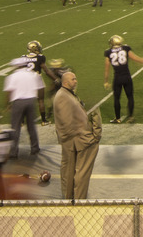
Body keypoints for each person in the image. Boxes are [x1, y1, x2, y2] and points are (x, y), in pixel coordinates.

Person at [55, 68, 100, 201]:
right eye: (73, 79)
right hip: (79, 141)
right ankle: (79, 201)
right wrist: (92, 136)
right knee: (81, 173)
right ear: (66, 82)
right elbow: (68, 122)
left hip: (72, 140)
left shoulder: (65, 95)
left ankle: (69, 199)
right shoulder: (63, 96)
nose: (76, 81)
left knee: (69, 172)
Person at [105, 35, 136, 123]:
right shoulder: (126, 48)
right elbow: (133, 57)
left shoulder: (108, 52)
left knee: (116, 98)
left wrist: (106, 81)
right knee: (130, 96)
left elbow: (107, 68)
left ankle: (118, 118)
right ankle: (131, 117)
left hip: (117, 77)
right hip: (127, 76)